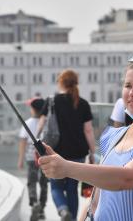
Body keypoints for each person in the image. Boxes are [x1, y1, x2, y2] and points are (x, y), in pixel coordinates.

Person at [38, 55, 133, 221]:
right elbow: (97, 198)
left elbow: (126, 178)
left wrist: (66, 168)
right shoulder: (113, 135)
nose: (132, 93)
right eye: (128, 85)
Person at [38, 69, 96, 221]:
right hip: (78, 152)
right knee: (72, 189)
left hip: (55, 151)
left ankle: (63, 211)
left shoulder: (52, 101)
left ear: (61, 83)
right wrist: (92, 151)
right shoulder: (83, 103)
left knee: (56, 186)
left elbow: (42, 124)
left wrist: (37, 142)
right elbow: (88, 130)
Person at [17, 97, 48, 220]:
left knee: (31, 182)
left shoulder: (28, 122)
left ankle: (34, 203)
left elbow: (23, 142)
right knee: (44, 183)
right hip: (44, 157)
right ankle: (41, 208)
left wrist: (20, 159)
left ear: (33, 109)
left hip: (31, 158)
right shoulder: (46, 122)